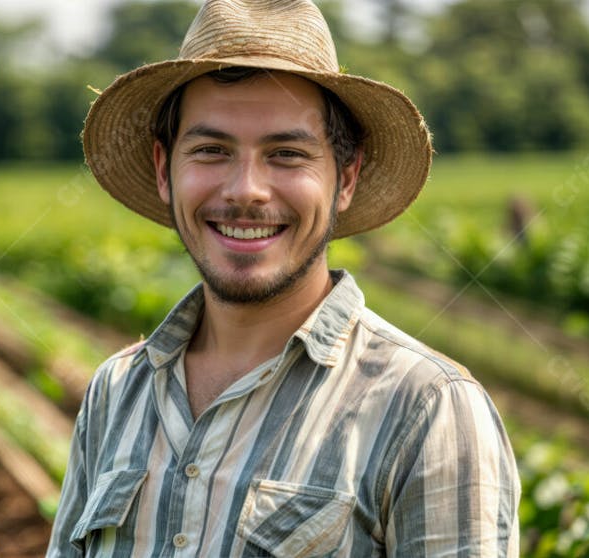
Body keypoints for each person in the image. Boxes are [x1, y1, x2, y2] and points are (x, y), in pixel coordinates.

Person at [47, 0, 520, 556]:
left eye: (287, 154)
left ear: (345, 179)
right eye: (211, 150)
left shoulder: (428, 411)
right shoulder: (114, 393)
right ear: (163, 171)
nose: (246, 189)